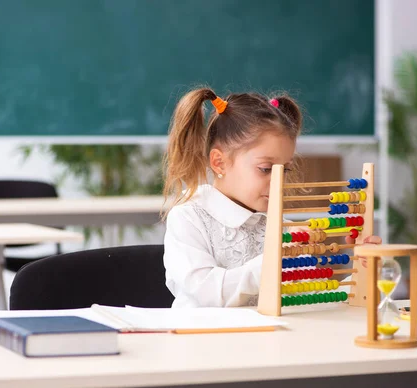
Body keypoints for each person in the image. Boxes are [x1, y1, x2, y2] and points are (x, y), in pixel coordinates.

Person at [162, 87, 380, 308]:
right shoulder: (188, 218)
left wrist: (362, 268)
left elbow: (315, 300)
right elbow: (205, 294)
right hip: (202, 340)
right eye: (266, 169)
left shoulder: (282, 228)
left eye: (284, 170)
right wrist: (275, 260)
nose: (279, 182)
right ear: (219, 162)